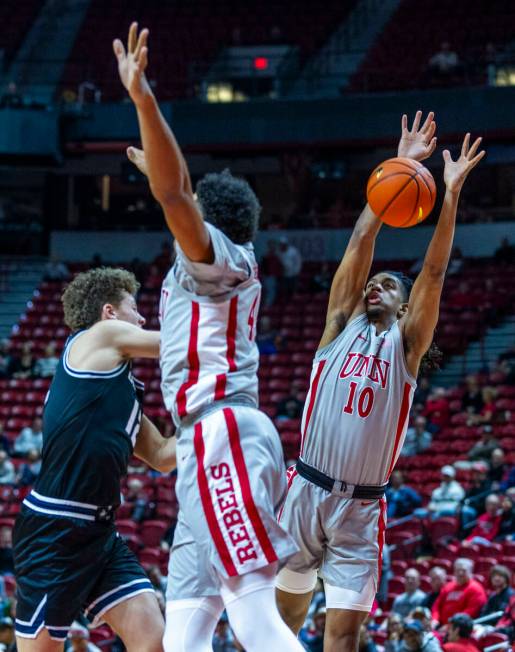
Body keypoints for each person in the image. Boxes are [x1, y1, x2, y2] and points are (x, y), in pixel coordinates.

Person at [114, 23, 303, 652]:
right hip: (203, 445)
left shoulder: (218, 255)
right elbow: (171, 191)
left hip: (221, 430)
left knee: (253, 618)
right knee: (184, 635)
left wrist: (145, 104)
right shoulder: (203, 273)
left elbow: (175, 191)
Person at [275, 110, 484, 652]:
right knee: (280, 621)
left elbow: (434, 272)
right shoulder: (338, 326)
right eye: (373, 282)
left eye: (388, 285)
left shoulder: (406, 347)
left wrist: (451, 193)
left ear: (406, 303)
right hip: (305, 489)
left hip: (362, 508)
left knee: (342, 636)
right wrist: (400, 165)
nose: (374, 286)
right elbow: (359, 241)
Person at [13, 267, 177, 651]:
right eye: (135, 309)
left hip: (100, 533)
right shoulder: (97, 336)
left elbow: (164, 457)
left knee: (154, 641)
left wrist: (209, 412)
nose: (141, 318)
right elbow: (178, 344)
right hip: (54, 530)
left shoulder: (116, 393)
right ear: (109, 312)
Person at [432, 559, 487, 625]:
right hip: (441, 626)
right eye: (458, 570)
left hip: (460, 628)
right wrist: (435, 619)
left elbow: (470, 613)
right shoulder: (448, 587)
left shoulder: (476, 589)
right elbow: (437, 606)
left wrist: (450, 626)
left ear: (470, 572)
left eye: (464, 571)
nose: (460, 573)